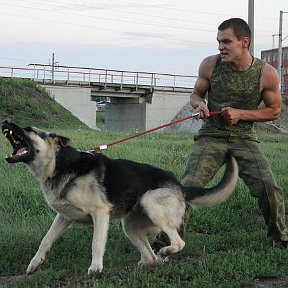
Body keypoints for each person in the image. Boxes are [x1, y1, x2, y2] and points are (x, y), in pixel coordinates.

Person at [152, 17, 288, 252]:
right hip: (211, 135)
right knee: (186, 187)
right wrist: (199, 106)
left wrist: (241, 114)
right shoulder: (209, 65)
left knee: (268, 187)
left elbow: (274, 111)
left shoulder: (266, 74)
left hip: (244, 138)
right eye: (218, 42)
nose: (220, 47)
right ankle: (168, 242)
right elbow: (196, 94)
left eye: (226, 41)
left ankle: (279, 236)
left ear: (244, 42)